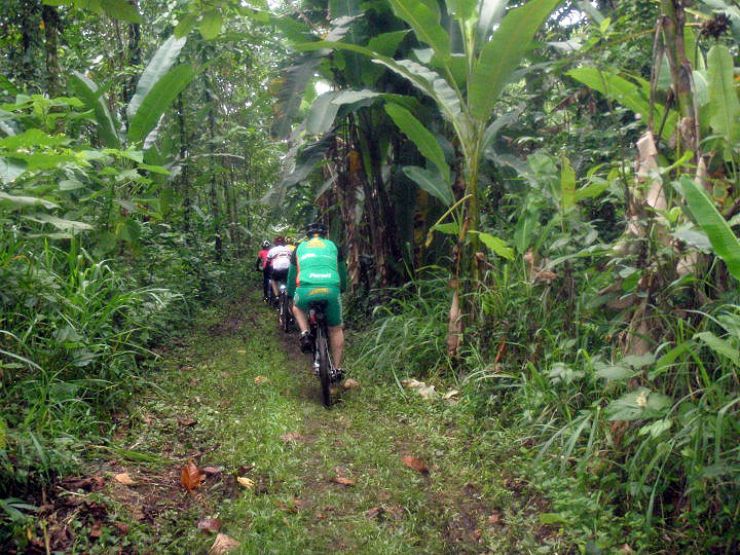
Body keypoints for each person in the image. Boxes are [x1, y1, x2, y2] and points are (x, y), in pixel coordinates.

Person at [287, 222, 347, 379]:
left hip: (306, 289)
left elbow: (292, 275)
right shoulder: (333, 246)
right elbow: (342, 270)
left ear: (308, 235)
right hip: (331, 289)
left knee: (297, 307)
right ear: (325, 234)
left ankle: (305, 333)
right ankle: (337, 369)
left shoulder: (299, 248)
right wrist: (343, 288)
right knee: (335, 329)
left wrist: (290, 293)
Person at [266, 236, 292, 302]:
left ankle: (277, 296)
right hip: (288, 269)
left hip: (277, 270)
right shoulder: (288, 249)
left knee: (273, 280)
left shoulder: (272, 250)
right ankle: (289, 295)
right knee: (288, 281)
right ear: (284, 243)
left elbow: (268, 262)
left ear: (275, 243)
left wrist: (266, 268)